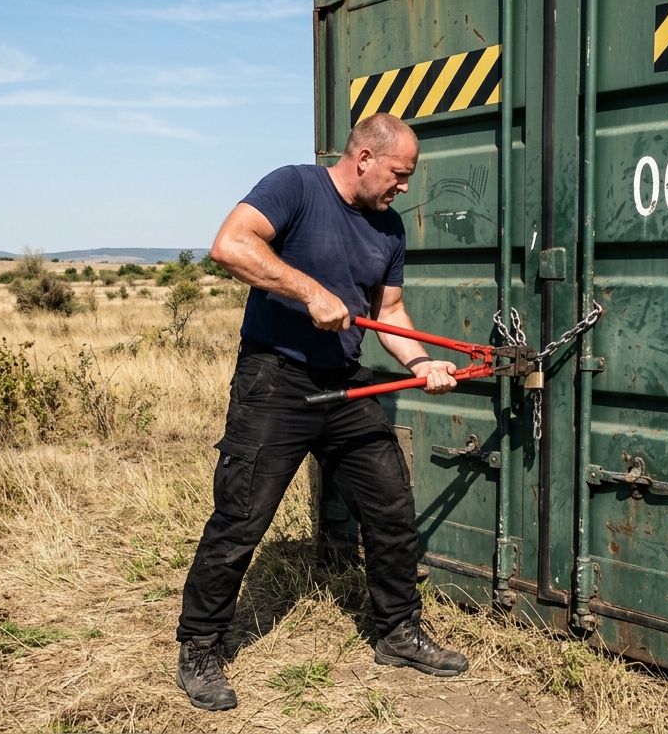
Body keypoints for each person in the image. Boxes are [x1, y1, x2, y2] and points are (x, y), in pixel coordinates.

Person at [174, 113, 471, 711]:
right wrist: (310, 291)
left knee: (390, 505)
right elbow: (229, 244)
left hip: (345, 386)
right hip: (274, 382)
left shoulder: (388, 229)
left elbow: (391, 314)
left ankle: (398, 633)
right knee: (241, 518)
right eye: (399, 174)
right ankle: (200, 646)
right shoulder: (296, 187)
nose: (404, 187)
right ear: (363, 157)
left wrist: (420, 365)